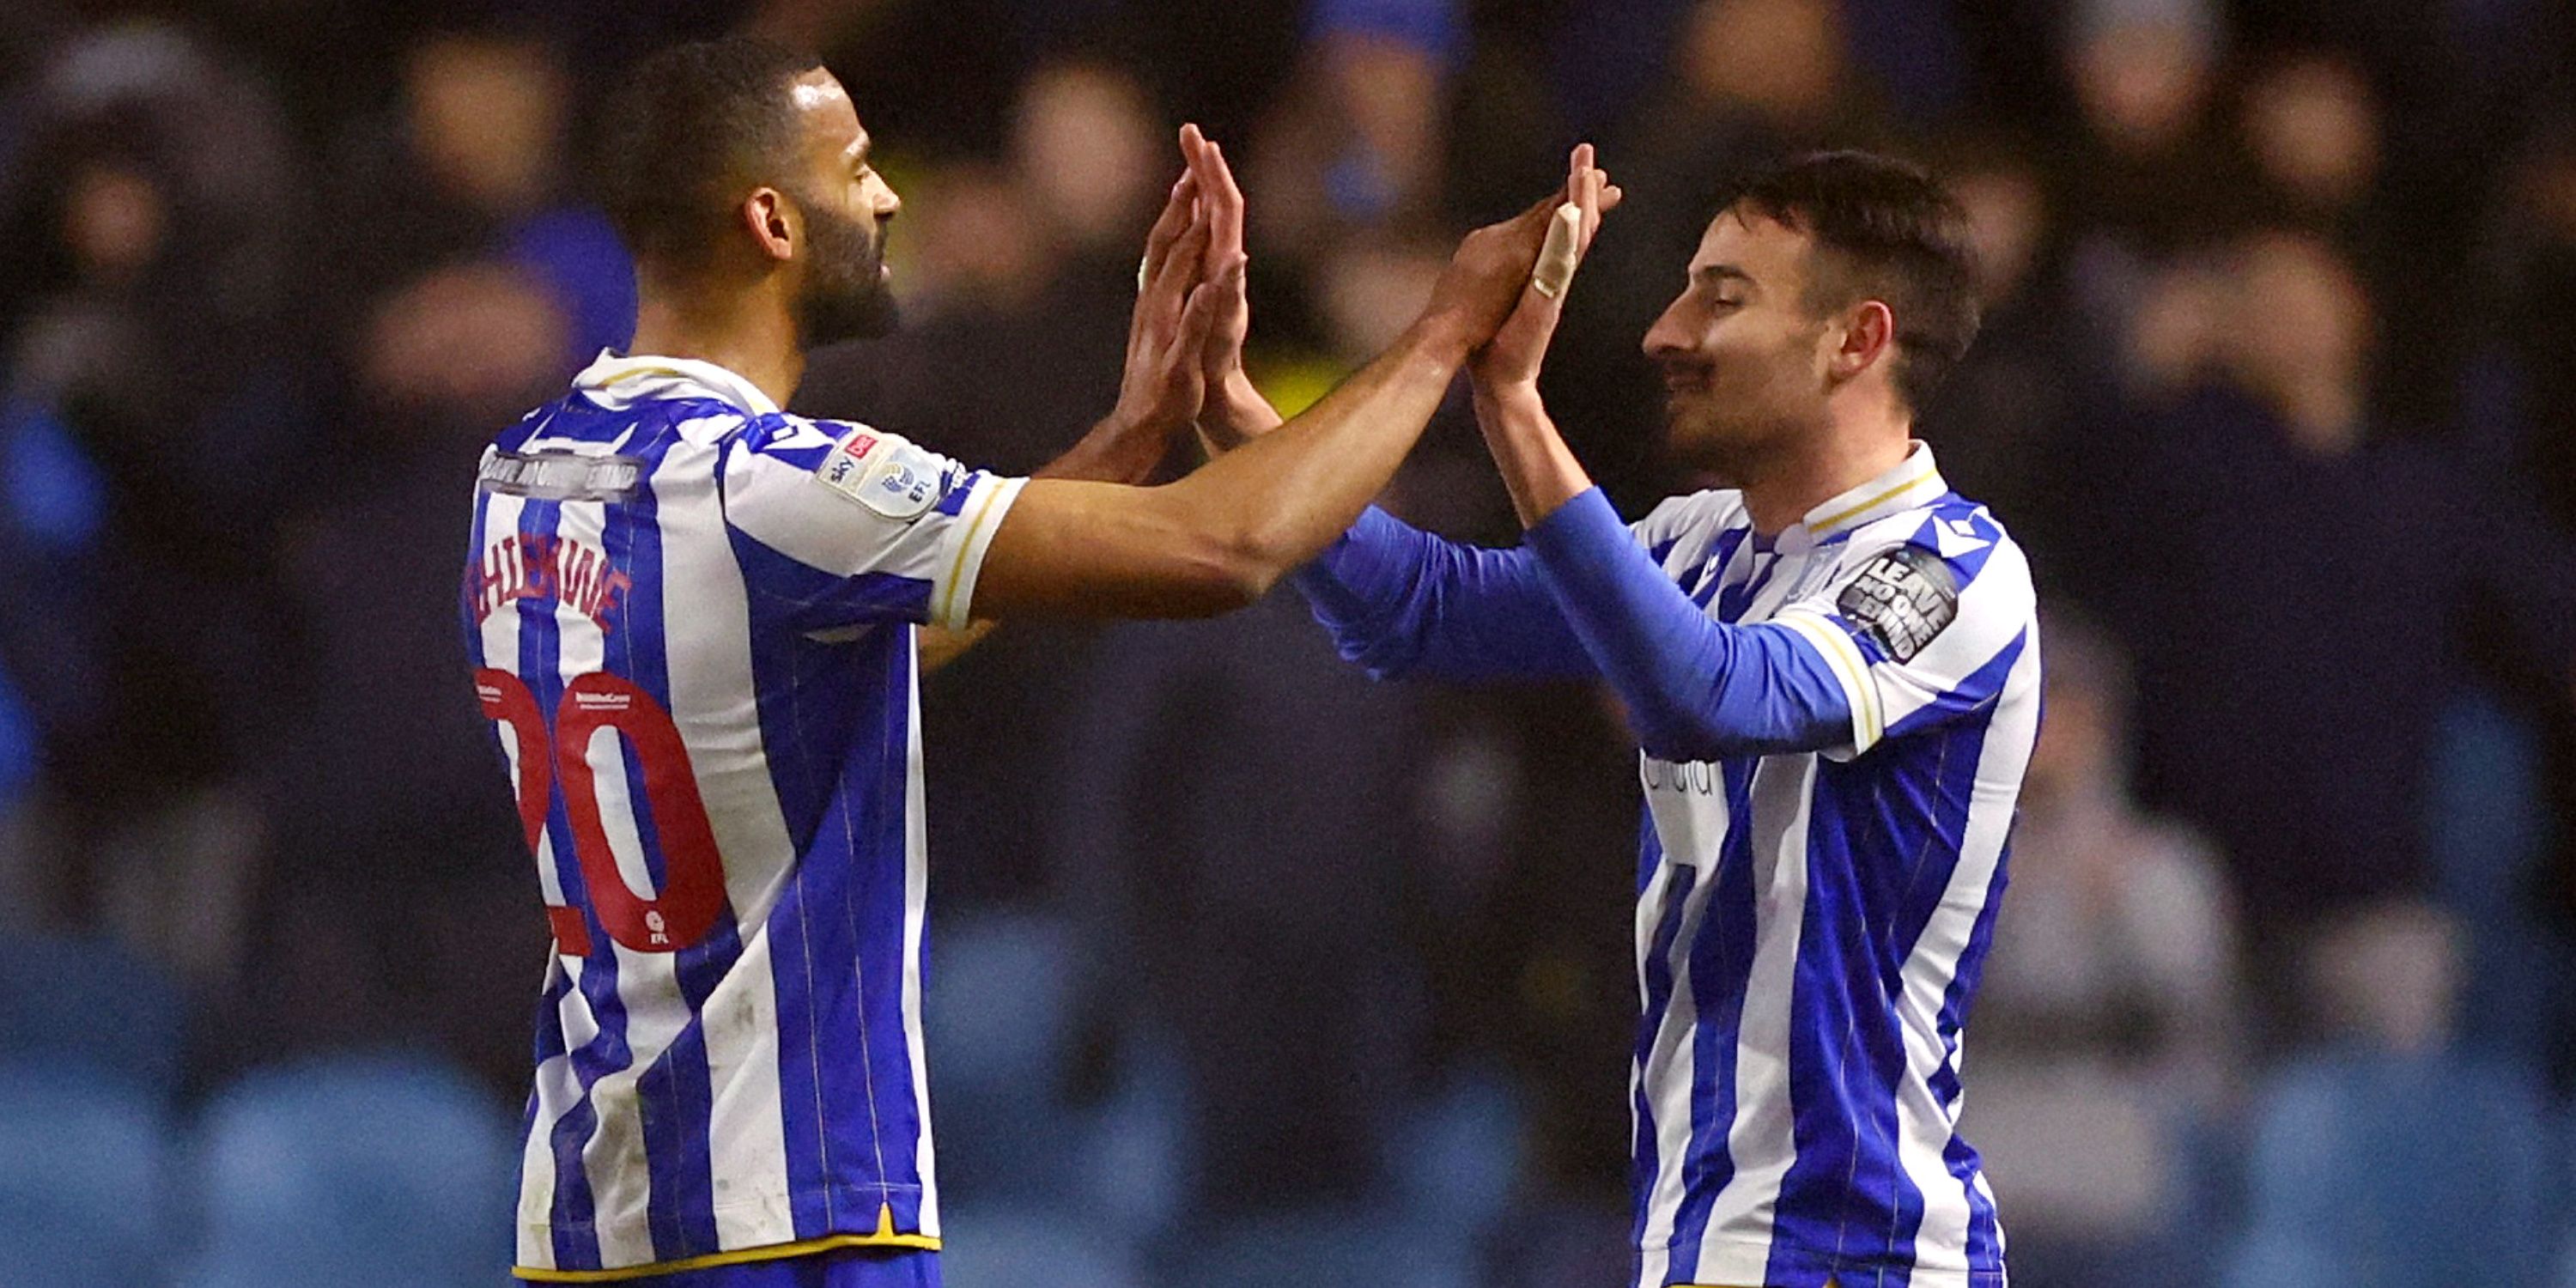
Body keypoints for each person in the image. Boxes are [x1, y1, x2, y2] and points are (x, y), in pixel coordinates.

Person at [462, 34, 1608, 1288]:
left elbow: (833, 654)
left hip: (598, 1208)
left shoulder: (531, 468)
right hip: (786, 1219)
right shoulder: (775, 484)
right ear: (771, 221)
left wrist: (1127, 439)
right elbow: (1227, 548)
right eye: (854, 170)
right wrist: (1445, 330)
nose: (891, 195)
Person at [1202, 150, 2034, 1286]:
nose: (1666, 333)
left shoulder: (1950, 572)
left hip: (1862, 1249)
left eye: (1723, 298)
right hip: (1695, 1239)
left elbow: (1712, 696)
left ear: (1857, 340)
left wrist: (1512, 407)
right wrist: (1237, 408)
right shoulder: (1697, 542)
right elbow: (1418, 612)